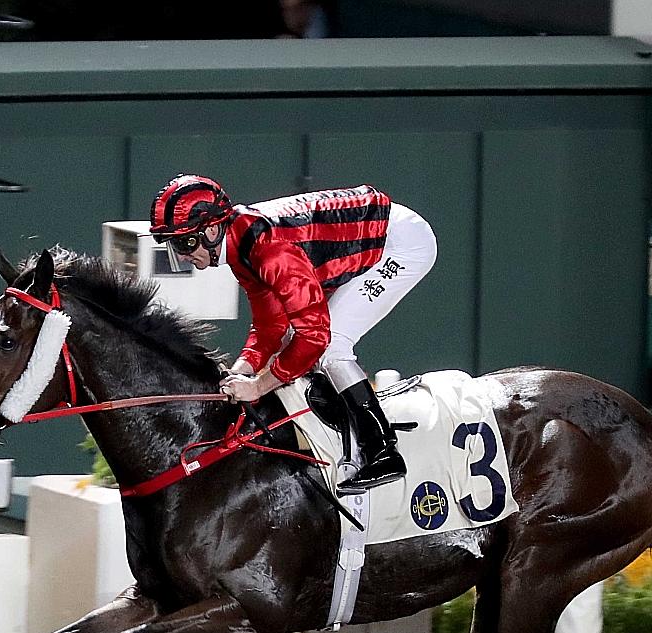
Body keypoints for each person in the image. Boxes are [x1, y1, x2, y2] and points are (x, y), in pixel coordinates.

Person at [148, 174, 437, 494]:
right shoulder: (242, 245)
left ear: (212, 230)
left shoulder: (268, 250)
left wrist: (258, 386)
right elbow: (269, 326)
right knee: (299, 346)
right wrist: (240, 372)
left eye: (184, 242)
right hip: (370, 235)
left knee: (331, 344)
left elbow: (314, 337)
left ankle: (382, 451)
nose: (182, 255)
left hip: (400, 244)